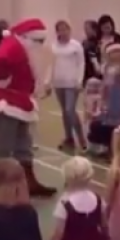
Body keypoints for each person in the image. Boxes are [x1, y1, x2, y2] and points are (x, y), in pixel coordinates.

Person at [0, 17, 56, 197]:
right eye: (38, 40)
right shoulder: (11, 47)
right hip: (5, 103)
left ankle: (28, 183)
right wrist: (4, 82)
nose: (40, 44)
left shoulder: (23, 48)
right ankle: (1, 188)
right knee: (2, 148)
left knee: (24, 144)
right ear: (27, 37)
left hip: (20, 102)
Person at [87, 43, 120, 154]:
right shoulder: (106, 67)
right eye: (113, 52)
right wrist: (100, 101)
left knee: (117, 124)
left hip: (119, 99)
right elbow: (104, 85)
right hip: (108, 98)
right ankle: (107, 146)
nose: (116, 55)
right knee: (106, 123)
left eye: (118, 52)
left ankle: (116, 149)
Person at [47, 20, 86, 151]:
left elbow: (81, 63)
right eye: (60, 29)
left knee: (70, 110)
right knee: (64, 111)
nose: (63, 32)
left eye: (65, 29)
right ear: (57, 31)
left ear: (69, 30)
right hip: (59, 83)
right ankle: (69, 138)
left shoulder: (76, 46)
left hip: (72, 82)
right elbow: (50, 65)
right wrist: (48, 82)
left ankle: (81, 138)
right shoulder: (53, 46)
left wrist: (79, 81)